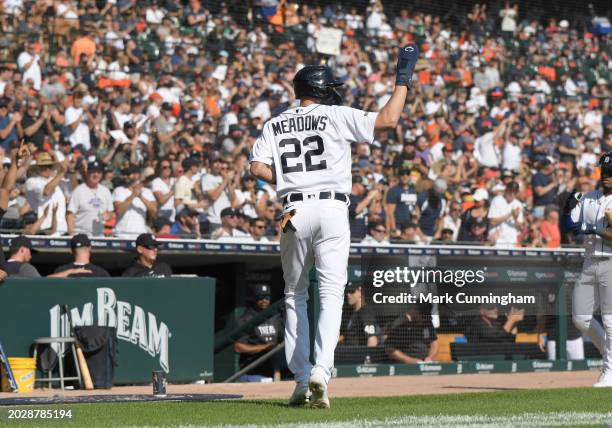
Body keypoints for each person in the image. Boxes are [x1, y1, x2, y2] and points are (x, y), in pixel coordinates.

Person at [249, 44, 419, 407]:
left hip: (293, 210)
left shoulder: (275, 122)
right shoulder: (334, 114)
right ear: (324, 90)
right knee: (331, 294)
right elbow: (388, 120)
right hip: (331, 208)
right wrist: (402, 80)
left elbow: (256, 168)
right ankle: (320, 372)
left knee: (295, 294)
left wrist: (291, 178)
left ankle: (298, 378)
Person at [565, 153, 612, 387]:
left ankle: (609, 371)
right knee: (580, 319)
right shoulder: (589, 197)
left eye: (610, 171)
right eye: (604, 171)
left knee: (610, 319)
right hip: (589, 261)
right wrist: (567, 207)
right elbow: (571, 226)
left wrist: (593, 228)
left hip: (610, 261)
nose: (606, 175)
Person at [234, 284, 284, 382]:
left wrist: (277, 372)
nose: (264, 300)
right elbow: (238, 347)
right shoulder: (246, 319)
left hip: (273, 371)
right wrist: (265, 347)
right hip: (251, 372)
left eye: (267, 297)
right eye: (260, 297)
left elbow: (282, 340)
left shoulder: (275, 317)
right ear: (254, 298)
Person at [24, 151, 68, 235]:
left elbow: (72, 190)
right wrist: (61, 173)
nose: (47, 169)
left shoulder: (54, 180)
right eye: (43, 166)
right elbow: (46, 191)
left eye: (49, 166)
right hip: (44, 227)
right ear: (37, 168)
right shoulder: (31, 181)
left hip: (62, 229)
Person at [67, 160, 113, 236]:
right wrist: (71, 235)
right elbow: (70, 214)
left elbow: (111, 213)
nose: (96, 175)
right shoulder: (78, 190)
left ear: (102, 175)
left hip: (99, 236)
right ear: (87, 173)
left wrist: (108, 215)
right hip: (81, 235)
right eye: (93, 172)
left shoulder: (106, 191)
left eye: (98, 172)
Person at [6, 235, 89, 278]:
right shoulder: (25, 268)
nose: (31, 256)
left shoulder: (2, 267)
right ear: (23, 250)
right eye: (30, 252)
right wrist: (69, 272)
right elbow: (43, 283)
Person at [112, 165, 157, 236]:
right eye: (123, 174)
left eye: (128, 174)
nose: (124, 176)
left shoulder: (147, 191)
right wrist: (133, 195)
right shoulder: (119, 190)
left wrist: (141, 196)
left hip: (140, 235)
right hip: (121, 235)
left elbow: (154, 211)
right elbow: (118, 211)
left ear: (137, 175)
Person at [338, 283, 380, 347]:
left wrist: (366, 356)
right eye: (347, 292)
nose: (348, 295)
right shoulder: (351, 313)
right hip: (349, 354)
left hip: (359, 355)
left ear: (360, 292)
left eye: (352, 291)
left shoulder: (365, 311)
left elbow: (372, 339)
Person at [487, 182, 524, 247]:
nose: (512, 194)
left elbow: (520, 227)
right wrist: (510, 214)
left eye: (515, 192)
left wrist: (515, 219)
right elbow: (493, 221)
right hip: (497, 241)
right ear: (506, 190)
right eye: (510, 191)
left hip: (511, 242)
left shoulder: (518, 204)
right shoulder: (497, 200)